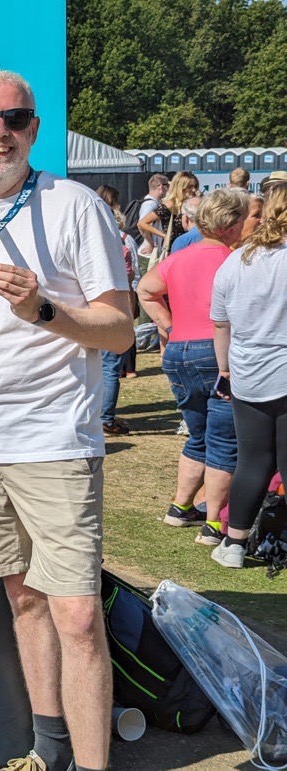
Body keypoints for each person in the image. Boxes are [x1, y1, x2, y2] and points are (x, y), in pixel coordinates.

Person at [0, 69, 132, 771]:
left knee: (77, 615)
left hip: (55, 442)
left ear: (35, 128)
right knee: (24, 603)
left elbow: (119, 330)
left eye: (13, 117)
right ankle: (49, 751)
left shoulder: (76, 206)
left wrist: (44, 308)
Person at [136, 188, 250, 546]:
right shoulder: (235, 259)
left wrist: (169, 326)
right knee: (224, 441)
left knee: (197, 434)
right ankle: (214, 523)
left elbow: (145, 289)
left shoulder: (178, 258)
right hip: (217, 354)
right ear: (232, 226)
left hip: (179, 352)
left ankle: (180, 506)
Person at [209, 184, 287, 567]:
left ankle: (235, 544)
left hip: (248, 374)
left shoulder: (235, 261)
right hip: (276, 371)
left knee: (252, 461)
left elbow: (221, 325)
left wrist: (224, 369)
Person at [95, 184, 138, 432]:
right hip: (115, 309)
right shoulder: (123, 244)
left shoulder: (85, 245)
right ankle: (106, 418)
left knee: (96, 367)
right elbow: (131, 281)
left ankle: (98, 415)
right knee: (111, 367)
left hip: (91, 310)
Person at [138, 171, 199, 265]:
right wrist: (164, 236)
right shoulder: (171, 204)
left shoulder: (193, 203)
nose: (194, 190)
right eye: (189, 187)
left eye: (195, 186)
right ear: (180, 188)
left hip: (190, 248)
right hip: (172, 252)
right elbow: (142, 223)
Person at [134, 173, 170, 256]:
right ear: (160, 186)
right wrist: (150, 243)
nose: (168, 189)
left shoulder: (151, 202)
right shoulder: (151, 204)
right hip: (147, 253)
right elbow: (141, 225)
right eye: (167, 185)